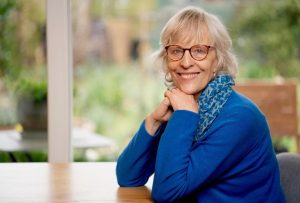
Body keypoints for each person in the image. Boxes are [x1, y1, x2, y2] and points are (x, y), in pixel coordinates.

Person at [116, 6, 285, 203]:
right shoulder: (184, 107)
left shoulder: (239, 117)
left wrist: (185, 116)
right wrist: (153, 122)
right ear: (166, 59)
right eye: (176, 51)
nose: (186, 62)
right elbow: (128, 176)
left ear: (218, 60)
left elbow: (167, 192)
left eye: (199, 51)